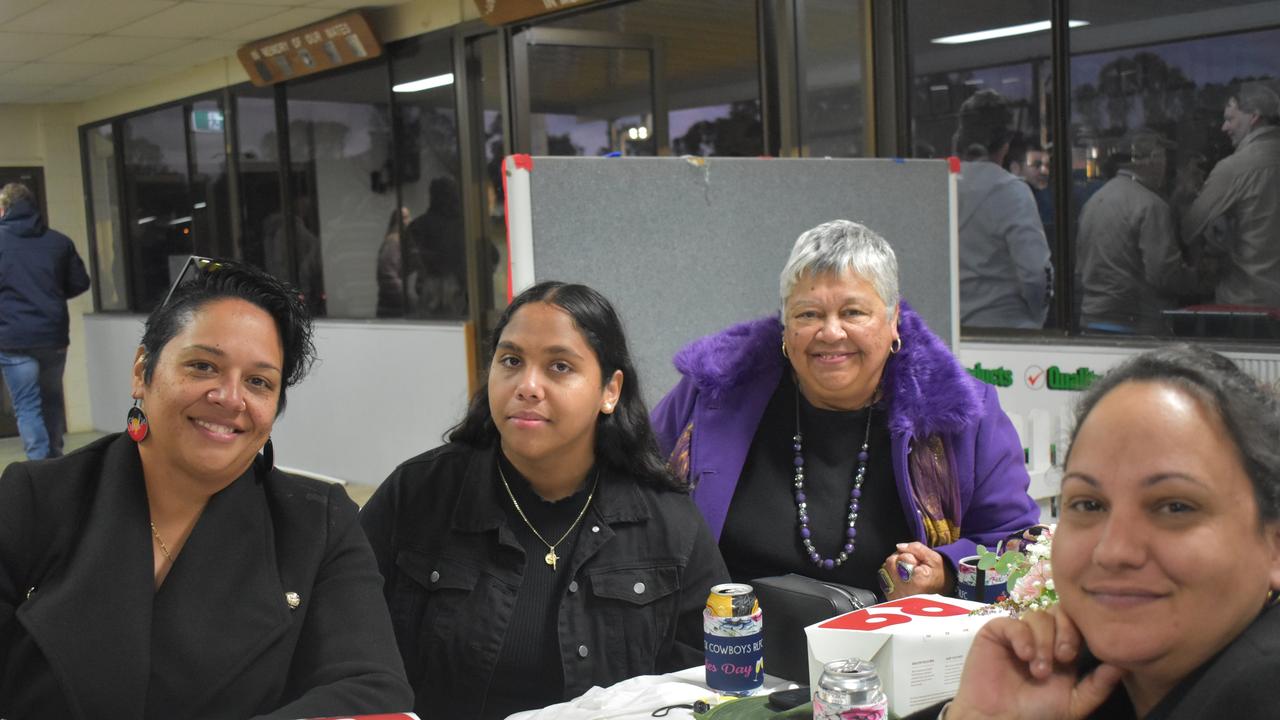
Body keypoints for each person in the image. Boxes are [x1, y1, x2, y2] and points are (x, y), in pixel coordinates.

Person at [0, 259, 412, 718]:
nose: (230, 398)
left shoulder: (317, 525)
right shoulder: (32, 500)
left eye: (258, 382)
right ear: (142, 371)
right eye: (202, 366)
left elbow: (371, 689)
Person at [360, 281, 729, 719]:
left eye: (558, 366)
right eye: (511, 361)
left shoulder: (668, 522)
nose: (527, 386)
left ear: (609, 391)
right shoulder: (418, 495)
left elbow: (714, 686)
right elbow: (346, 646)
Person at [651, 220, 1039, 601]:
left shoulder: (962, 414)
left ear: (893, 322)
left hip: (893, 651)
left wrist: (947, 572)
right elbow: (635, 496)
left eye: (853, 312)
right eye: (808, 314)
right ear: (785, 327)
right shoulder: (714, 392)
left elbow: (1017, 551)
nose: (831, 333)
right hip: (726, 647)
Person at [919, 345, 1280, 719]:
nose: (1113, 551)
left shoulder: (1258, 692)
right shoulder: (1089, 678)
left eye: (1176, 507)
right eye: (1089, 504)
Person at [1076, 129, 1200, 335]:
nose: (1165, 166)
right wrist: (1197, 278)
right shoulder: (1151, 206)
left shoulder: (1094, 201)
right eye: (1163, 157)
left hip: (1091, 321)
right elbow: (1163, 275)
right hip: (1136, 323)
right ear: (1151, 159)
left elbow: (1080, 266)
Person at [0, 182, 90, 460]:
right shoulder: (58, 242)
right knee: (52, 401)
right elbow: (80, 282)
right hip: (53, 338)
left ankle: (39, 468)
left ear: (4, 208)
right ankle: (55, 464)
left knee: (27, 405)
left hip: (13, 339)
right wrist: (49, 292)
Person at [953, 90, 1054, 328]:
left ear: (960, 138)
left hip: (952, 332)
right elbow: (1036, 274)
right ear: (1006, 144)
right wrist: (1037, 318)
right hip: (1009, 331)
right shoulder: (1012, 192)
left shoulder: (941, 187)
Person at [1181, 81, 1280, 307]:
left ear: (1253, 116)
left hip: (1249, 304)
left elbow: (1188, 229)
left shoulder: (1234, 168)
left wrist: (1186, 195)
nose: (1223, 128)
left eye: (1229, 119)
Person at [377, 206, 410, 318]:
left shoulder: (401, 240)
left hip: (397, 304)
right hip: (393, 306)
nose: (407, 221)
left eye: (407, 217)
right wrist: (406, 296)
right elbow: (388, 276)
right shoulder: (393, 242)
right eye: (403, 218)